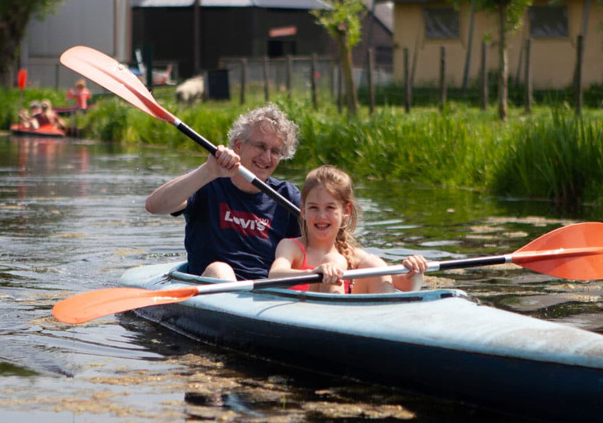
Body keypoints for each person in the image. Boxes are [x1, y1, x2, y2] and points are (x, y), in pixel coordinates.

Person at [145, 104, 301, 280]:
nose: (267, 157)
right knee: (220, 270)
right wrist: (208, 171)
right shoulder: (207, 182)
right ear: (238, 146)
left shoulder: (287, 196)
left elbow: (317, 244)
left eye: (275, 151)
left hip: (266, 291)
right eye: (260, 146)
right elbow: (153, 206)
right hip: (213, 283)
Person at [269, 165, 428, 294]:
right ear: (303, 211)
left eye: (330, 207)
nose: (321, 216)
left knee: (374, 264)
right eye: (313, 208)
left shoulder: (353, 255)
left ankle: (385, 319)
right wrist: (314, 273)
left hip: (348, 317)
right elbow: (275, 274)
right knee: (334, 261)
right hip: (308, 314)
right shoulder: (291, 247)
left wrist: (414, 272)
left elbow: (406, 286)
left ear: (346, 211)